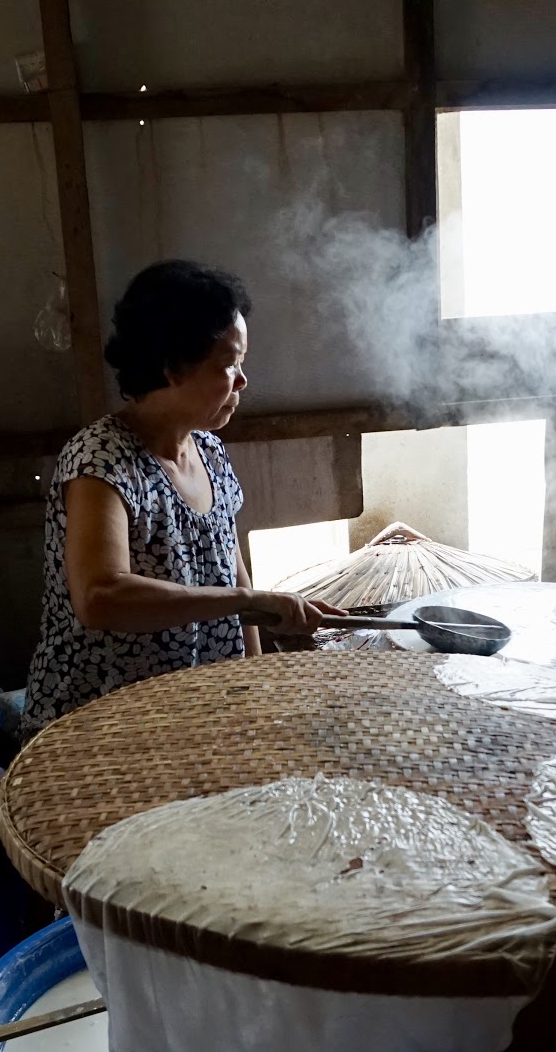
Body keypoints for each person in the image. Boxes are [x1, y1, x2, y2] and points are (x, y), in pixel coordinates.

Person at [21, 261, 338, 733]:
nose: (242, 381)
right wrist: (244, 598)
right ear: (173, 369)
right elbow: (100, 596)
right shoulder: (100, 460)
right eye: (229, 364)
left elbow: (231, 567)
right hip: (108, 717)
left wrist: (255, 679)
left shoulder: (207, 448)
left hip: (199, 708)